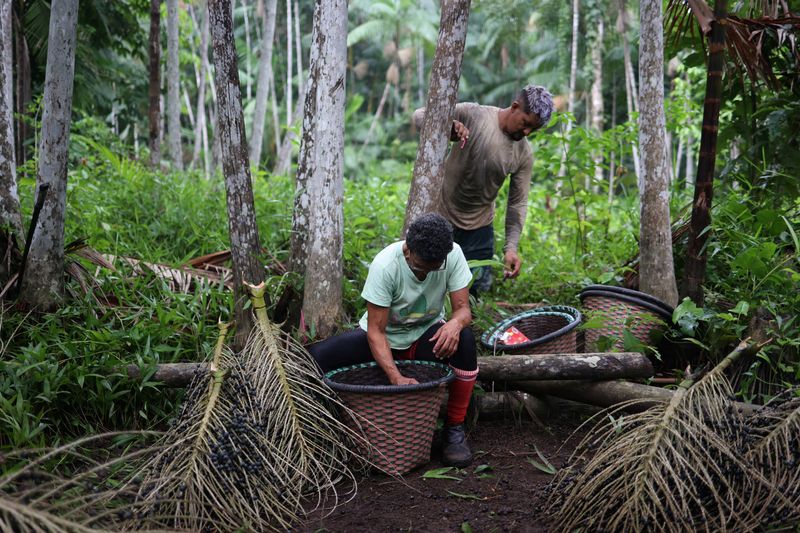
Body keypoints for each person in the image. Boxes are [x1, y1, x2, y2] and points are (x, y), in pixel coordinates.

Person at [308, 213, 478, 468]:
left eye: (434, 268)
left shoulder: (452, 254)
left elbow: (463, 310)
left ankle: (454, 428)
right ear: (408, 250)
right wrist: (396, 377)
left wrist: (454, 323)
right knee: (316, 358)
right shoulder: (386, 265)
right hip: (382, 339)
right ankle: (326, 429)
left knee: (464, 340)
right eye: (420, 268)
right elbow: (376, 331)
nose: (424, 275)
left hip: (424, 337)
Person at [413, 84, 555, 294]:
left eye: (533, 129)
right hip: (442, 214)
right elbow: (419, 116)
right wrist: (447, 126)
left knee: (474, 293)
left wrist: (511, 248)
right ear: (515, 107)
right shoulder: (475, 115)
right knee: (428, 283)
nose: (527, 132)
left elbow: (518, 202)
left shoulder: (523, 153)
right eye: (526, 124)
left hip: (479, 228)